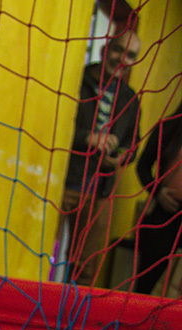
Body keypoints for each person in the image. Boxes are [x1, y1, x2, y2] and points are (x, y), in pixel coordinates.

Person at [59, 29, 142, 287]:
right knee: (38, 251)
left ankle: (68, 323)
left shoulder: (130, 99)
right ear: (105, 49)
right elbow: (55, 124)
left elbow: (134, 145)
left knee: (86, 267)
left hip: (100, 192)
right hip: (64, 182)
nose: (122, 59)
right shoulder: (75, 80)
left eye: (130, 55)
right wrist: (87, 138)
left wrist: (120, 158)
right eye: (118, 50)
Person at [131, 98, 182, 295]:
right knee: (145, 285)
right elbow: (142, 166)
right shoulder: (169, 127)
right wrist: (158, 191)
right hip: (163, 215)